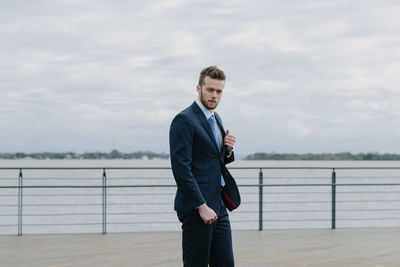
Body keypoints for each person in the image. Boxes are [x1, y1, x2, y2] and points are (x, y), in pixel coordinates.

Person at [169, 66, 241, 267]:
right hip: (196, 206)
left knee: (226, 263)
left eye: (219, 91)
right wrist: (201, 206)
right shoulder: (184, 120)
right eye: (210, 90)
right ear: (198, 88)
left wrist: (227, 149)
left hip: (218, 203)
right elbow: (181, 169)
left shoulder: (215, 118)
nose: (214, 95)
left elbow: (213, 161)